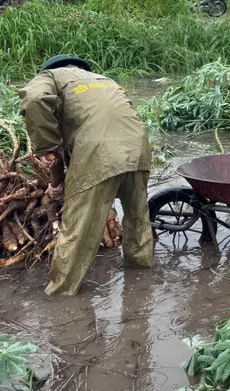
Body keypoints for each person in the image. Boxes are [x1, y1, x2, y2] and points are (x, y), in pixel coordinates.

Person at [18, 55, 154, 296]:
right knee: (137, 217)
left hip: (99, 152)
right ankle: (141, 279)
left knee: (78, 226)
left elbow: (34, 98)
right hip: (138, 148)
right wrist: (57, 184)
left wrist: (45, 147)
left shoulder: (50, 77)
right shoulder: (104, 80)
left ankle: (61, 292)